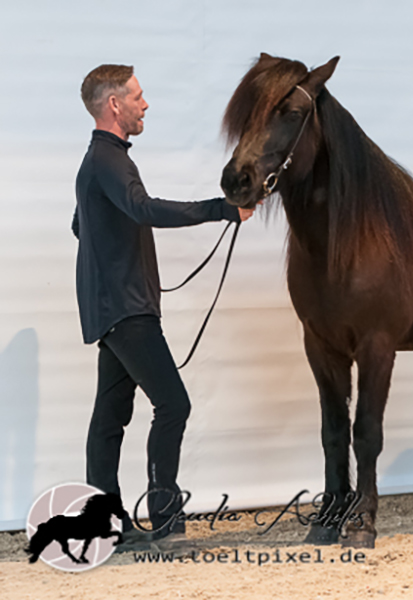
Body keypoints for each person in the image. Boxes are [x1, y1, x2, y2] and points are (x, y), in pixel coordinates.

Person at [73, 64, 254, 540]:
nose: (145, 104)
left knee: (110, 417)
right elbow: (143, 209)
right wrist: (221, 209)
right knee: (173, 404)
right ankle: (167, 518)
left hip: (114, 307)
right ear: (114, 104)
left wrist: (115, 261)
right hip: (127, 309)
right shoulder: (108, 160)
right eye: (137, 95)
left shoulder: (100, 161)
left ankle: (105, 524)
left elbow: (82, 224)